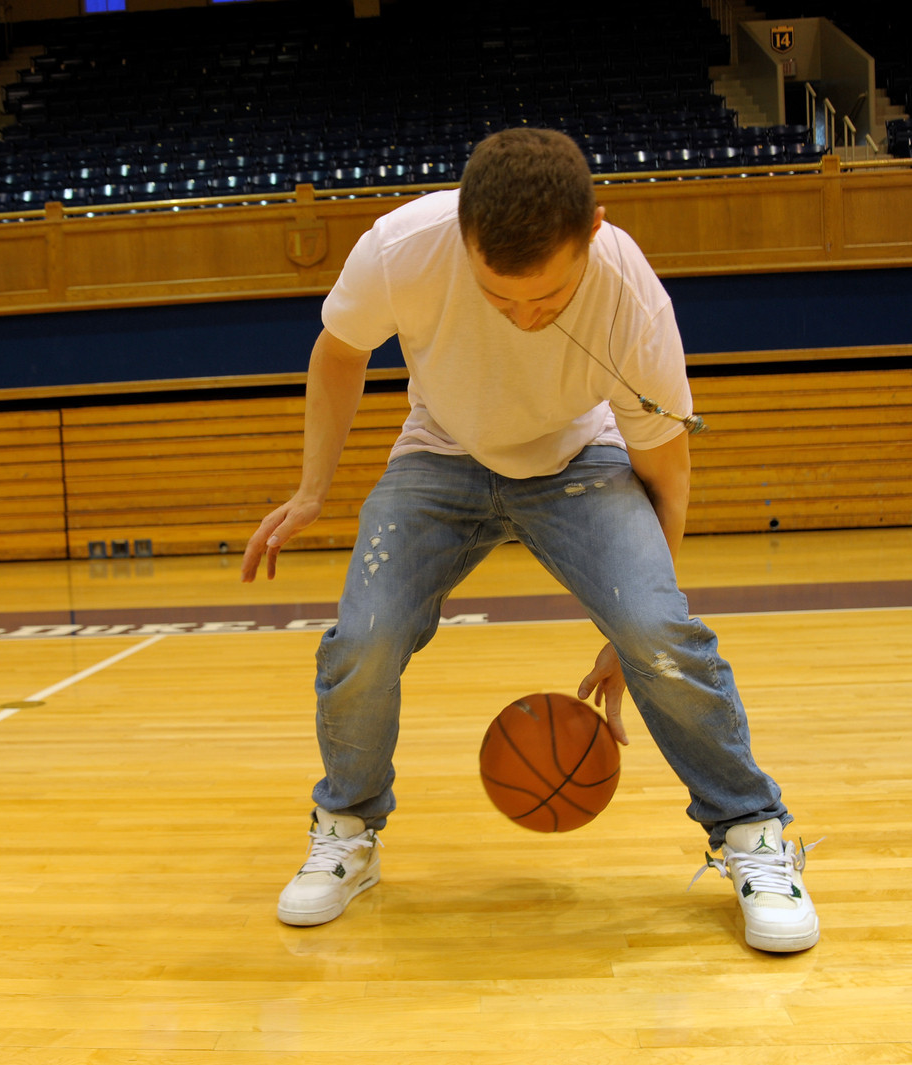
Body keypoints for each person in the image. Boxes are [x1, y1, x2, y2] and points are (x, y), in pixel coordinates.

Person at [240, 128, 819, 953]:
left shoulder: (630, 293)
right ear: (463, 234)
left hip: (579, 460)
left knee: (659, 632)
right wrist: (311, 489)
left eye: (545, 299)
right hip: (439, 453)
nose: (521, 316)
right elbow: (339, 351)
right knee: (362, 639)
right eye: (497, 294)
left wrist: (632, 626)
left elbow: (668, 468)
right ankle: (347, 829)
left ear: (592, 232)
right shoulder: (404, 247)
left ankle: (753, 832)